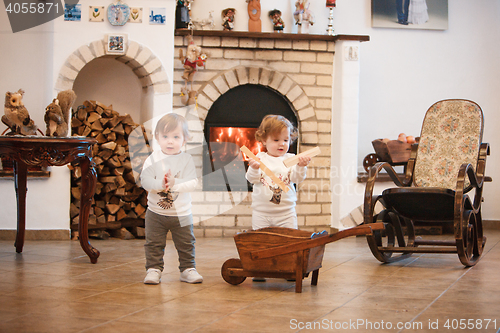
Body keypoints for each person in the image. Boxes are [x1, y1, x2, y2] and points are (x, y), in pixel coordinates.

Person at [140, 113, 202, 285]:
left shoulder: (186, 159)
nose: (170, 141)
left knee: (186, 243)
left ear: (184, 140)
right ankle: (153, 269)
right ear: (157, 138)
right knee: (153, 243)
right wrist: (160, 183)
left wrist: (174, 183)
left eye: (176, 137)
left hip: (182, 213)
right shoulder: (152, 159)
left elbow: (192, 183)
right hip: (155, 213)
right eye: (165, 136)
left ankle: (188, 269)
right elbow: (145, 181)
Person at [245, 115, 311, 231]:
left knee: (289, 241)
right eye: (276, 140)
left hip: (286, 214)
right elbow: (252, 179)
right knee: (261, 242)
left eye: (286, 140)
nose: (282, 144)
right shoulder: (260, 158)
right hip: (261, 213)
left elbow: (297, 179)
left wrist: (301, 166)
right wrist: (254, 168)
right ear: (264, 140)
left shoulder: (291, 159)